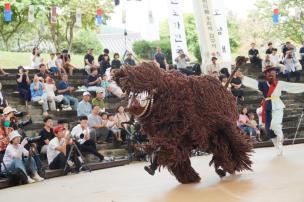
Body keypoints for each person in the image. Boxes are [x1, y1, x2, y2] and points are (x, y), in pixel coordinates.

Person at [242, 66, 304, 156]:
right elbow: (254, 83)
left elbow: (292, 86)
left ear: (275, 74)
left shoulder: (280, 83)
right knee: (269, 131)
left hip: (277, 106)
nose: (270, 75)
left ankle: (280, 137)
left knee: (275, 125)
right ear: (266, 76)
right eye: (268, 73)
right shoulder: (262, 85)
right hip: (267, 107)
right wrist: (243, 77)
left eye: (272, 73)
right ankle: (278, 147)